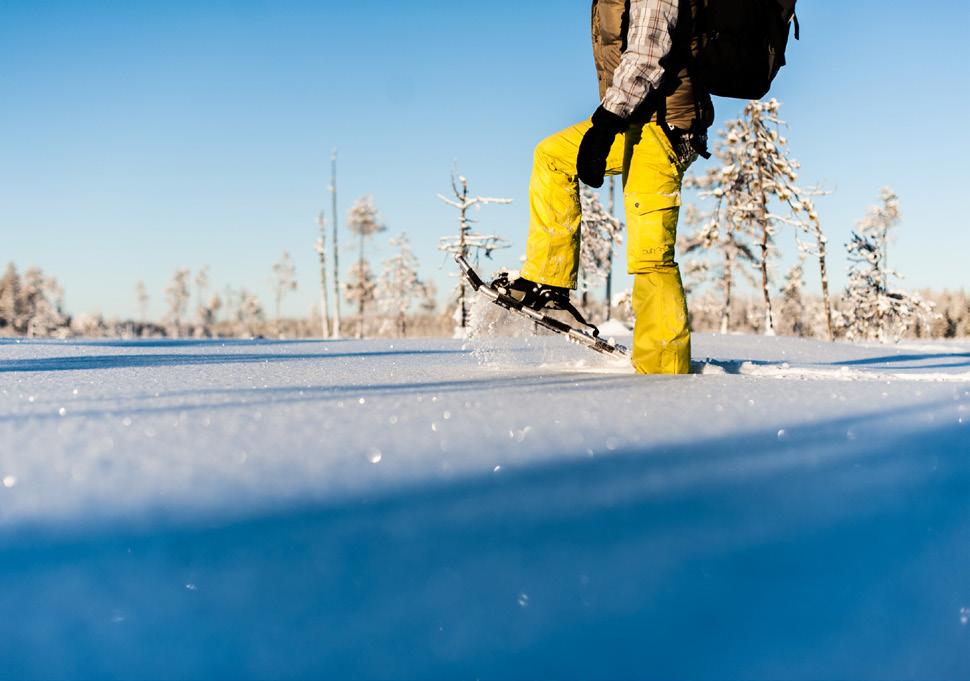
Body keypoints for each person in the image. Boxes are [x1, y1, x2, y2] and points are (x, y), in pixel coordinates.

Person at [501, 0, 713, 374]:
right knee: (553, 155)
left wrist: (604, 126)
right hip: (635, 119)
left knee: (650, 254)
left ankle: (664, 373)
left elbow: (647, 56)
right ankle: (549, 284)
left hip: (666, 127)